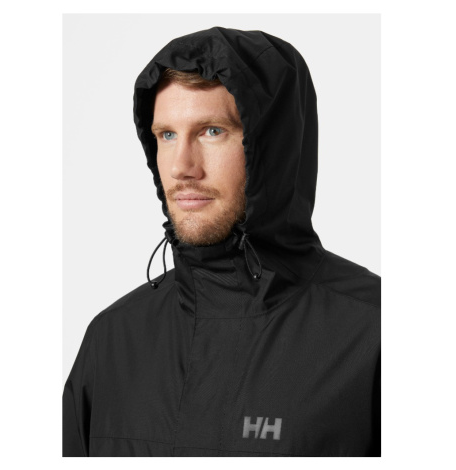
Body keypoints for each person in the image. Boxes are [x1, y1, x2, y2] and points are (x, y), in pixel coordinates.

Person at [63, 26, 381, 457]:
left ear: (274, 146)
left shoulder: (374, 334)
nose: (182, 167)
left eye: (212, 131)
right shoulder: (113, 341)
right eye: (167, 135)